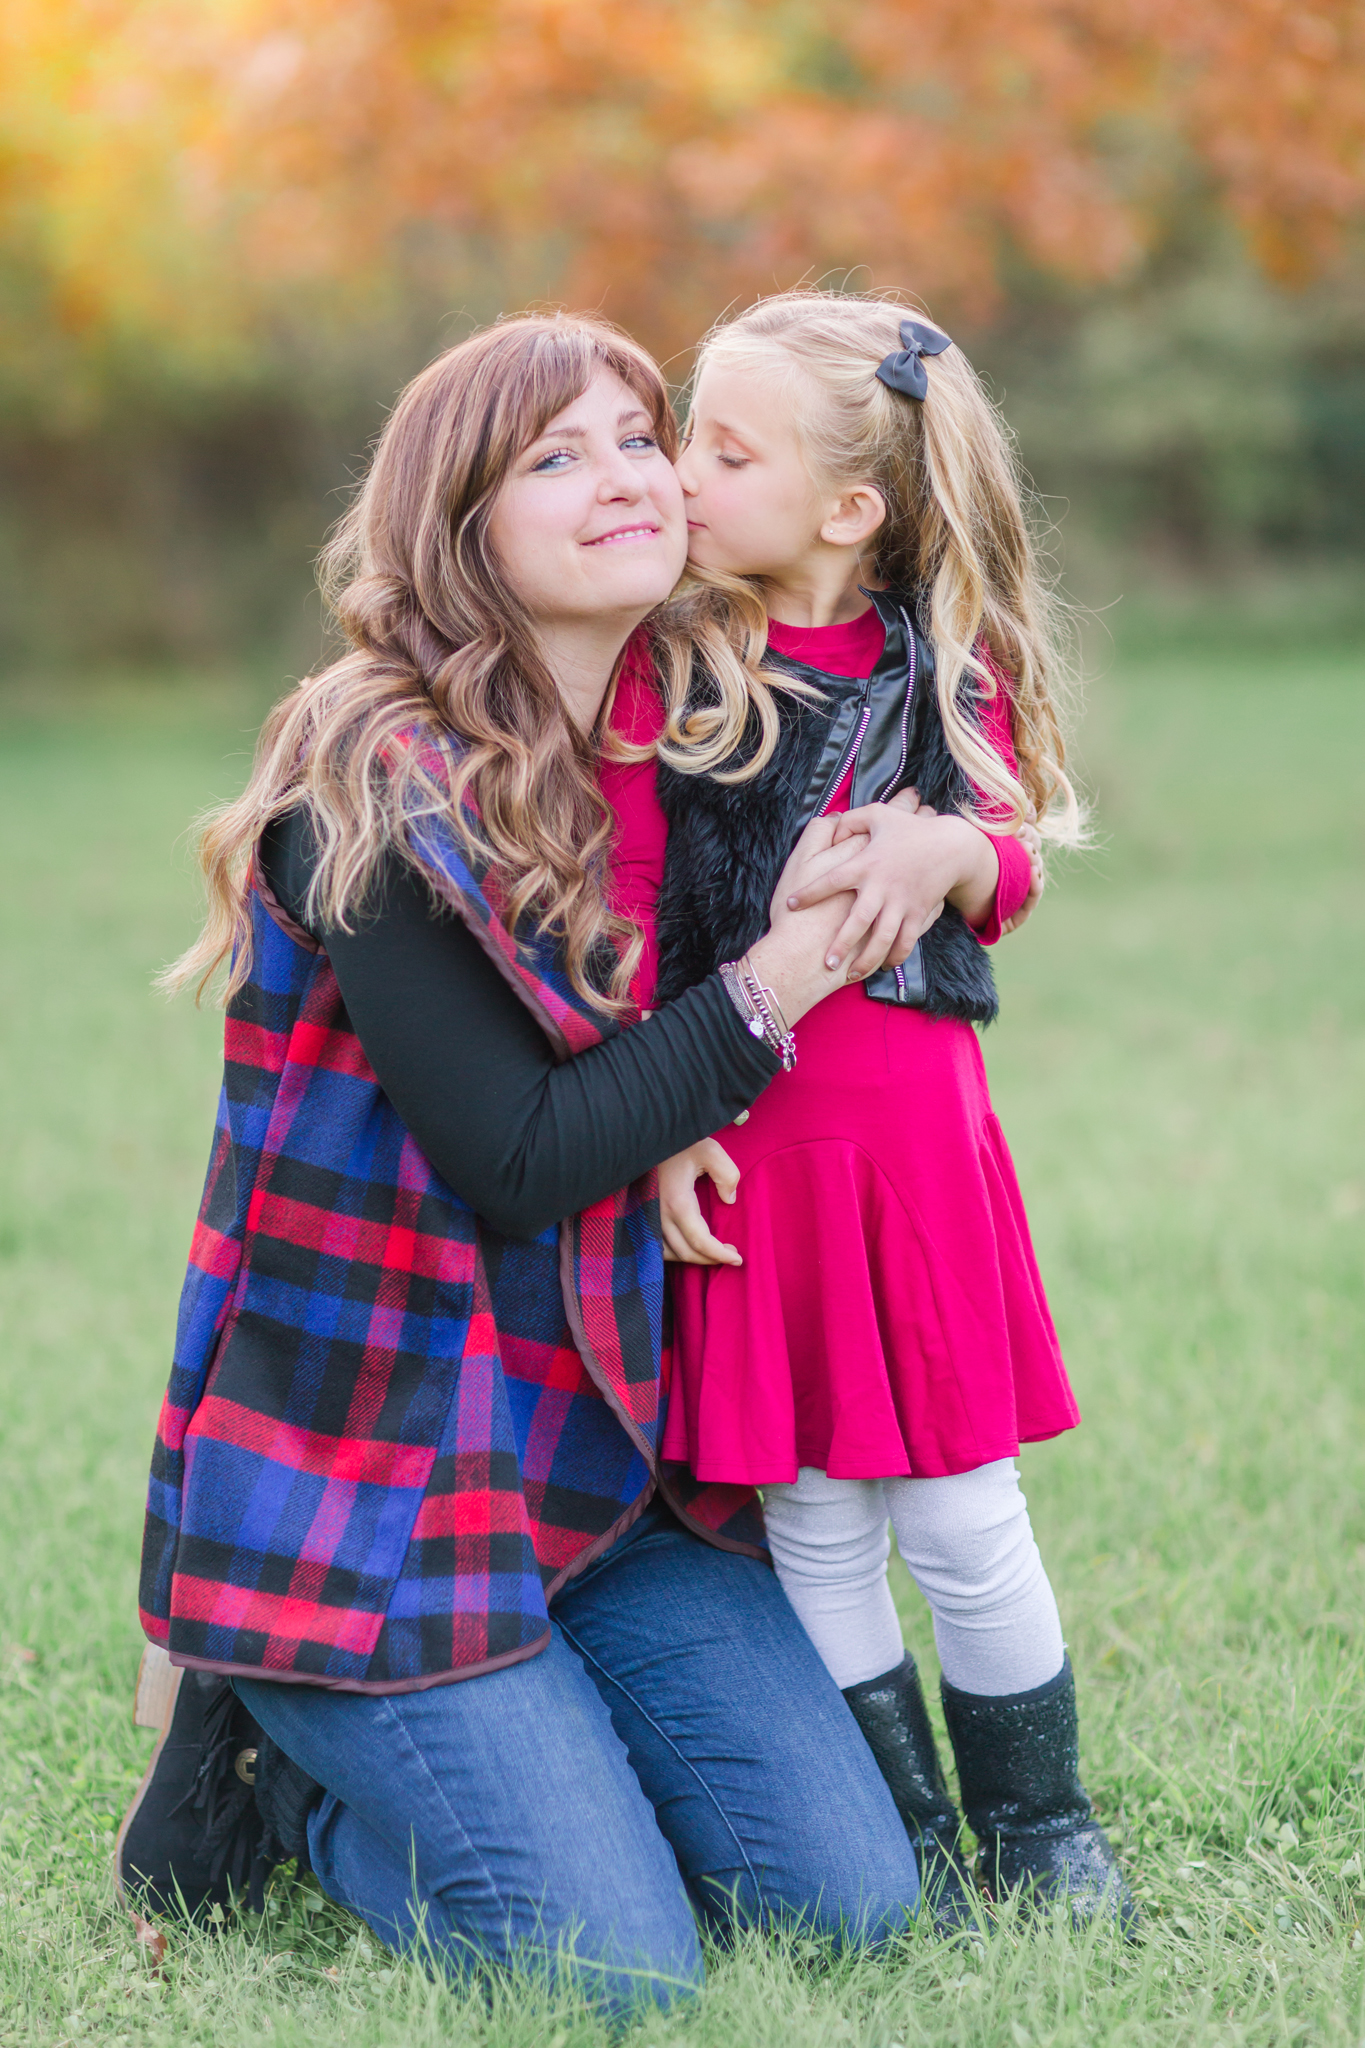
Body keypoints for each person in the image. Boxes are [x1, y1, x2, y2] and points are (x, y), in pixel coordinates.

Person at [114, 312, 937, 2018]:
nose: (625, 476)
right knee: (613, 1977)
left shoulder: (680, 735)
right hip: (378, 1483)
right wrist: (785, 975)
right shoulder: (367, 774)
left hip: (591, 1453)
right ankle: (276, 1770)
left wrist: (937, 849)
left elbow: (948, 705)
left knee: (845, 1908)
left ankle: (533, 1724)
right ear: (458, 524)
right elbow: (516, 1155)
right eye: (556, 457)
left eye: (641, 437)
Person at [645, 290, 1137, 1934]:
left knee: (963, 1511)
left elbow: (1007, 861)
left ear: (850, 507)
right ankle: (905, 1835)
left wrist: (953, 850)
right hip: (752, 1153)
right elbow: (636, 907)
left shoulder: (938, 669)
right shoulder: (676, 671)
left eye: (726, 451)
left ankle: (1041, 1830)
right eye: (687, 435)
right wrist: (662, 1119)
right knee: (811, 1516)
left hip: (914, 1160)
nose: (681, 472)